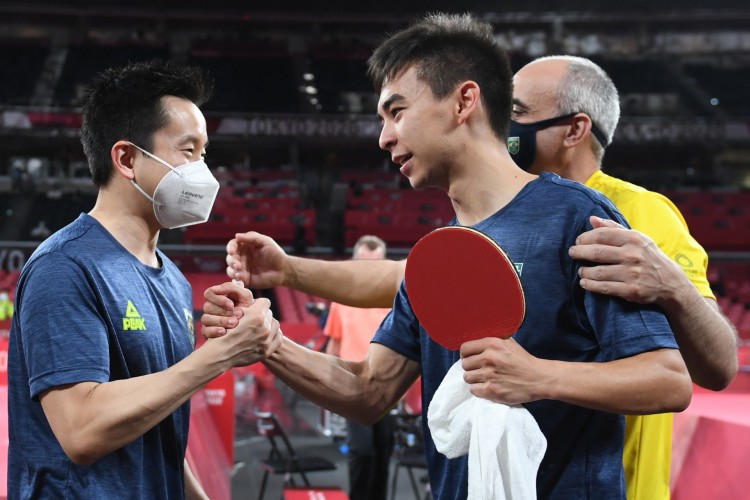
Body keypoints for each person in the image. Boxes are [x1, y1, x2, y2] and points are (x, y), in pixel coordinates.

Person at [203, 13, 692, 499]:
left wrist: (538, 376)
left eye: (397, 111)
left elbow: (667, 379)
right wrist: (268, 341)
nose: (384, 137)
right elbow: (369, 390)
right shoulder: (434, 258)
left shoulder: (575, 215)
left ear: (464, 101)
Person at [7, 59, 282, 499]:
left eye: (204, 153)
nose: (202, 170)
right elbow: (82, 431)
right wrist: (221, 355)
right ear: (127, 158)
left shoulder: (172, 279)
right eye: (187, 151)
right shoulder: (64, 267)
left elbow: (156, 428)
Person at [508, 55, 738, 500]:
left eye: (517, 114)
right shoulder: (509, 215)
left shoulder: (641, 213)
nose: (504, 128)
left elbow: (719, 367)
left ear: (574, 130)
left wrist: (674, 288)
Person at [323, 235, 395, 500]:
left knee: (383, 449)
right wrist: (326, 387)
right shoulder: (341, 299)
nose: (370, 268)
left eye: (376, 263)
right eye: (364, 263)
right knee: (362, 451)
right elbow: (333, 346)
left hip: (388, 387)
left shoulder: (393, 300)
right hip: (352, 387)